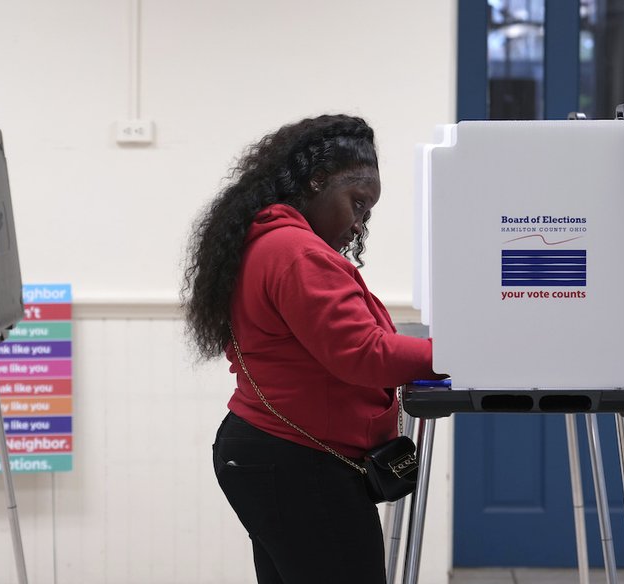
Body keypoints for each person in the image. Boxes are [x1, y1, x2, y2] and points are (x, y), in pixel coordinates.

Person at [182, 114, 443, 584]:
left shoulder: (268, 241)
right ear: (316, 180)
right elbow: (364, 353)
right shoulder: (295, 252)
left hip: (275, 456)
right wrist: (455, 352)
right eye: (357, 202)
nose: (360, 221)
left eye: (368, 211)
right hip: (298, 462)